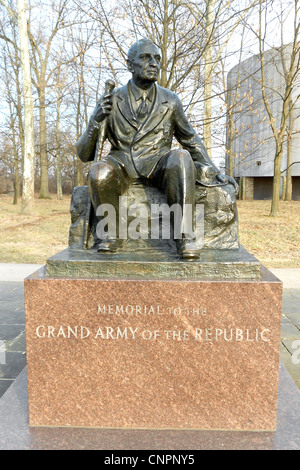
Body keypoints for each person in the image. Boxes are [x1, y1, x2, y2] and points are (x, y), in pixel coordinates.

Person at [77, 38, 233, 260]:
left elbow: (190, 139)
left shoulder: (170, 100)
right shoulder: (111, 99)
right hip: (122, 162)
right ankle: (110, 234)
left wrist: (215, 170)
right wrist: (95, 119)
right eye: (145, 57)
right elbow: (84, 154)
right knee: (99, 171)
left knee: (181, 156)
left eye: (157, 59)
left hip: (157, 162)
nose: (153, 63)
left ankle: (185, 236)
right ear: (130, 64)